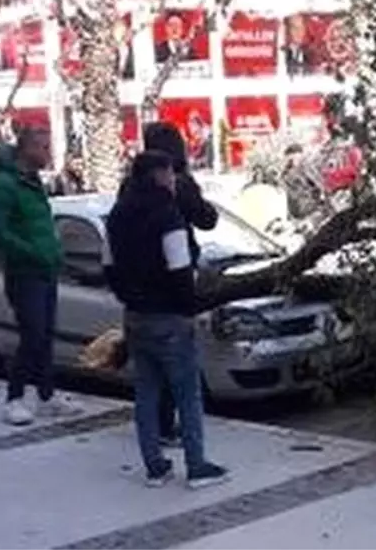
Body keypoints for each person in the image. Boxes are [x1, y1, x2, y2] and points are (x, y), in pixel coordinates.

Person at [105, 151, 228, 488]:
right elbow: (179, 271)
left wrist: (130, 298)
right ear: (160, 175)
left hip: (135, 316)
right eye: (171, 174)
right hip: (169, 317)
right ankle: (197, 465)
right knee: (187, 393)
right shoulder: (167, 215)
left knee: (146, 392)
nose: (175, 180)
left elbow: (109, 267)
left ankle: (155, 467)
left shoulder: (116, 214)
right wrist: (187, 308)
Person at [0, 127, 80, 425]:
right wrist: (31, 252)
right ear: (27, 149)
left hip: (45, 269)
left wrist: (53, 252)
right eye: (42, 147)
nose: (47, 153)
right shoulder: (5, 184)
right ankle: (14, 397)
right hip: (24, 272)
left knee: (46, 334)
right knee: (33, 335)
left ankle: (47, 395)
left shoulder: (33, 181)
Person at [138, 122, 218, 448]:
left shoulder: (130, 187)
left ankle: (154, 432)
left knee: (148, 372)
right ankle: (181, 438)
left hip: (141, 283)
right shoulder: (179, 186)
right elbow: (206, 219)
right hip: (173, 277)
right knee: (178, 361)